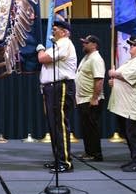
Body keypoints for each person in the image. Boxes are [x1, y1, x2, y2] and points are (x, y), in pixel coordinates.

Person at [36, 20, 77, 173]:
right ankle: (58, 158)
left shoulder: (65, 43)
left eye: (56, 29)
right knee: (54, 125)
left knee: (59, 124)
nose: (53, 32)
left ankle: (65, 162)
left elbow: (43, 59)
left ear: (65, 32)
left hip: (61, 87)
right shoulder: (56, 45)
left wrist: (40, 50)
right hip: (52, 88)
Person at [108, 35, 136, 172]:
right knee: (127, 132)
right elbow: (123, 77)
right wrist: (114, 81)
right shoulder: (131, 61)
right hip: (125, 103)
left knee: (134, 133)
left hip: (134, 102)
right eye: (131, 44)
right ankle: (134, 158)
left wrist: (114, 74)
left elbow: (127, 76)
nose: (131, 47)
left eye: (134, 45)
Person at [75, 34, 105, 162]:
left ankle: (96, 154)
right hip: (83, 99)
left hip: (91, 99)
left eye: (86, 43)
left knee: (92, 128)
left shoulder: (96, 59)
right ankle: (89, 152)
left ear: (94, 45)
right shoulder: (87, 57)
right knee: (86, 128)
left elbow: (99, 80)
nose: (84, 44)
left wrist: (95, 97)